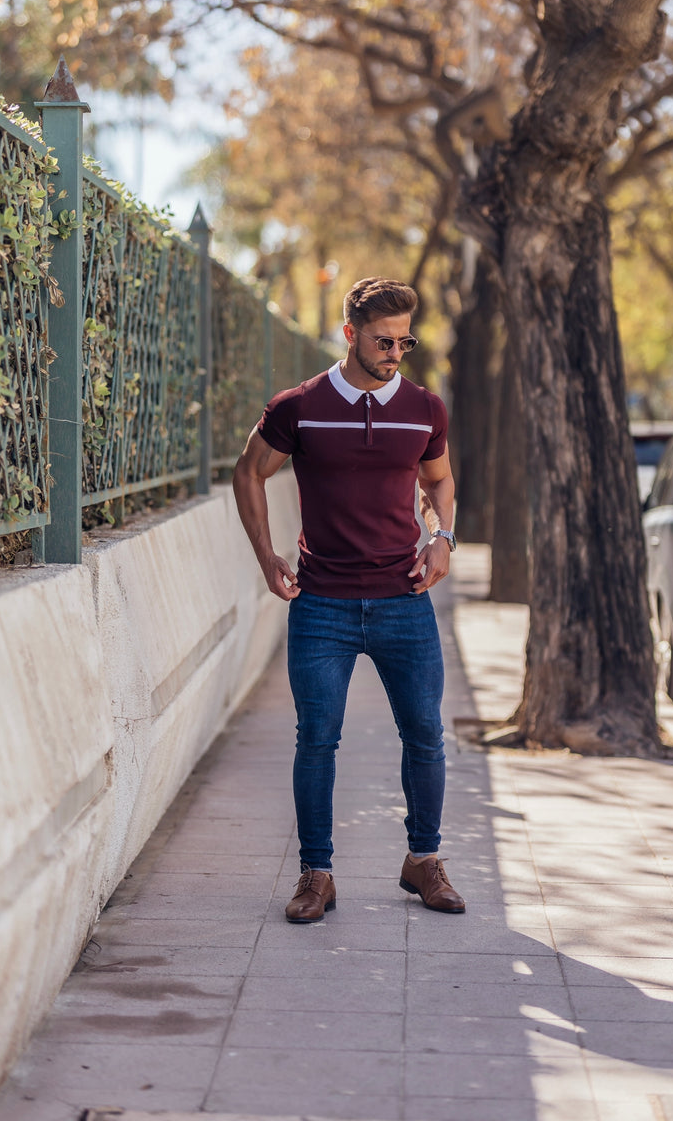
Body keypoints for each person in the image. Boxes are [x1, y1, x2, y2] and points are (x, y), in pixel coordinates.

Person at [232, 277, 465, 922]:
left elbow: (439, 482)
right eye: (383, 340)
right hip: (322, 604)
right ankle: (317, 874)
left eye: (404, 341)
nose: (395, 351)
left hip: (403, 599)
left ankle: (423, 861)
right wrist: (268, 556)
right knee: (318, 739)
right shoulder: (299, 407)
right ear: (350, 335)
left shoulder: (424, 408)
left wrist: (443, 539)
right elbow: (249, 473)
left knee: (424, 734)